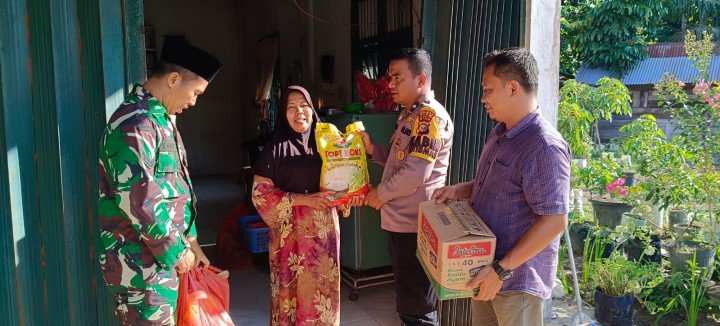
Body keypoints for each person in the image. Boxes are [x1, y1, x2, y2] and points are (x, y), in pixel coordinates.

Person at [431, 47, 570, 325]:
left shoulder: (542, 146)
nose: (483, 99)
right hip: (487, 269)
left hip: (515, 280)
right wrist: (460, 190)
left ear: (514, 88)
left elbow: (555, 221)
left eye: (488, 90)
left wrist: (501, 271)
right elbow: (499, 184)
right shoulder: (502, 132)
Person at [98, 37, 222, 325]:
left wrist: (191, 241)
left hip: (161, 264)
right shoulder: (135, 123)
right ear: (174, 79)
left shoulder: (160, 120)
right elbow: (139, 199)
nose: (194, 101)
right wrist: (176, 252)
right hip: (141, 269)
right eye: (196, 93)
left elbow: (174, 191)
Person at [251, 85, 361, 325]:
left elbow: (342, 182)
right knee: (290, 296)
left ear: (312, 109)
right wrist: (301, 199)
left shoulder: (328, 144)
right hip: (288, 236)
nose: (298, 111)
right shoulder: (274, 149)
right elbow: (260, 194)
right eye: (290, 107)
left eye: (303, 105)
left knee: (322, 294)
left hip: (323, 234)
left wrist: (345, 199)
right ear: (283, 114)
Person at [360, 48, 454, 325]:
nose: (389, 85)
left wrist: (380, 194)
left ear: (421, 79)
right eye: (390, 78)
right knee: (409, 305)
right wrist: (372, 149)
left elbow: (415, 173)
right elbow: (399, 162)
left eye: (397, 77)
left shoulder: (428, 118)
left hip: (415, 225)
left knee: (418, 310)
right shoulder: (410, 115)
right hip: (402, 221)